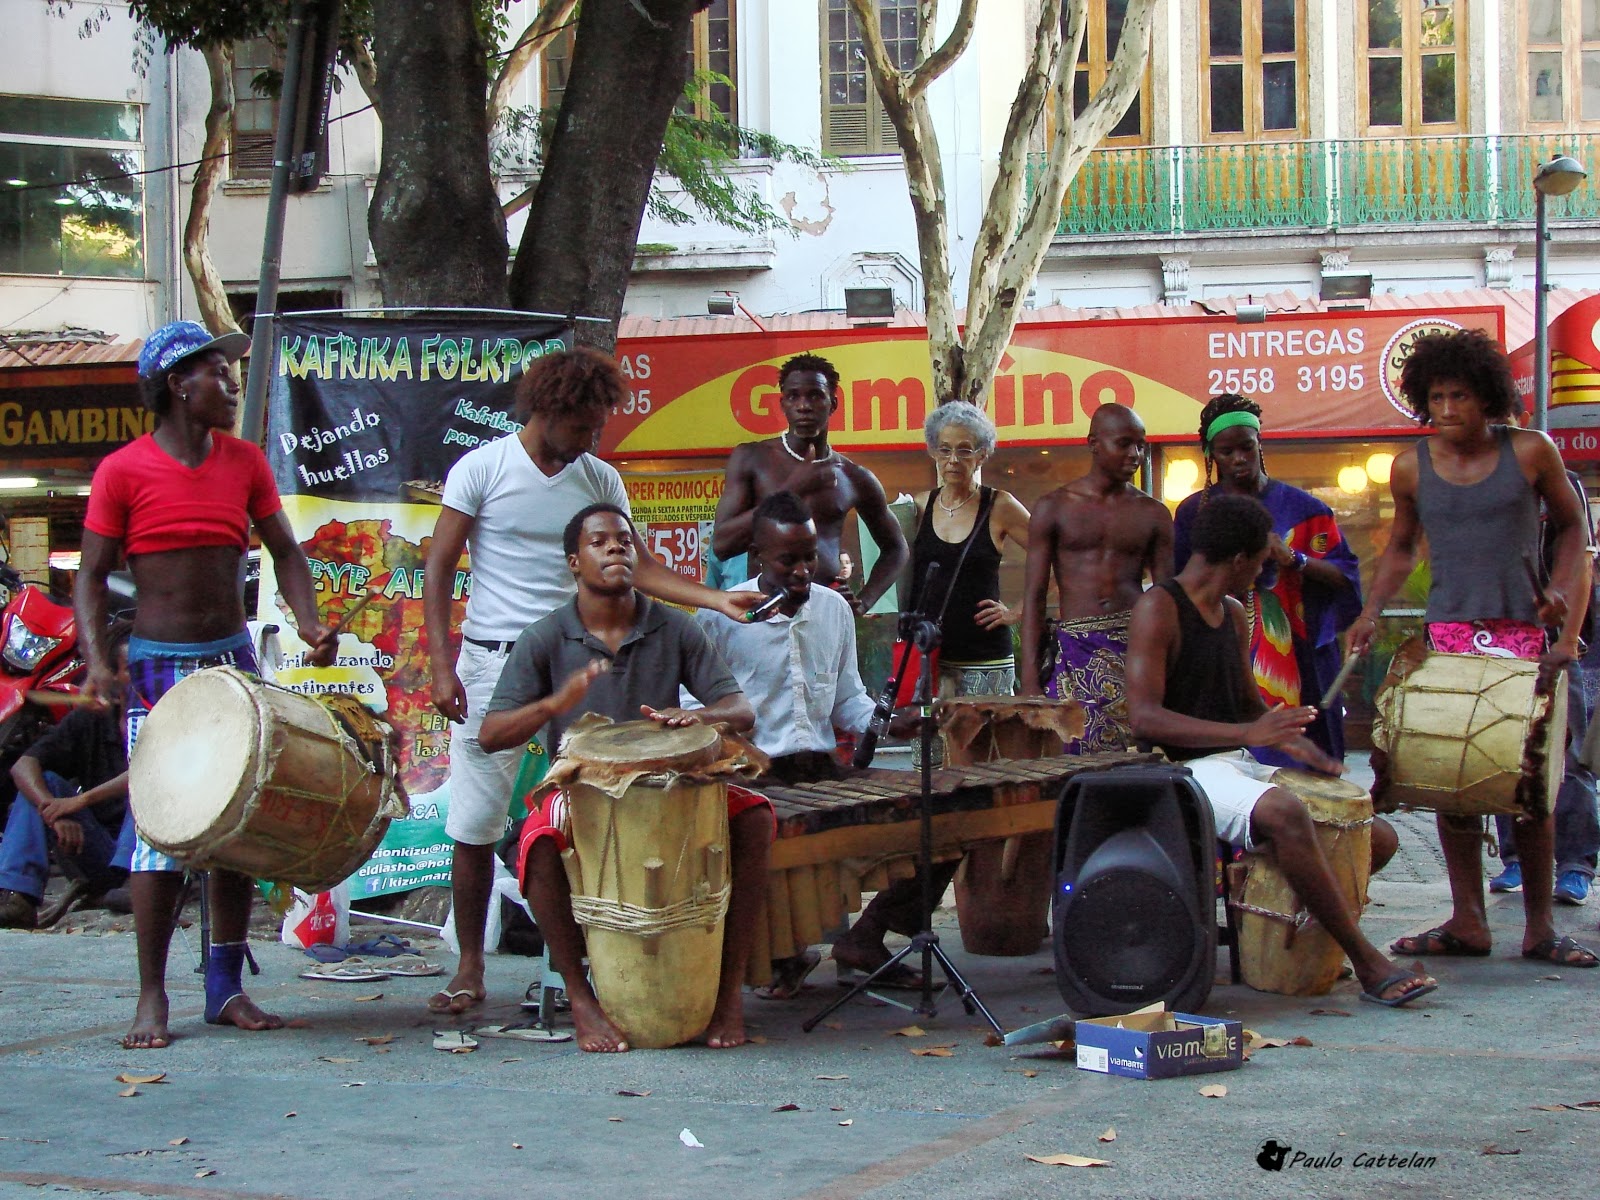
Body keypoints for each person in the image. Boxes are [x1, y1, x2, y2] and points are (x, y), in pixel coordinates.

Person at [424, 347, 762, 1017]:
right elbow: (437, 568)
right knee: (475, 819)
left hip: (572, 663)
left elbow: (631, 569)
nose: (592, 440)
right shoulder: (482, 469)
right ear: (547, 410)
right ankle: (468, 966)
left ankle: (588, 963)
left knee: (589, 814)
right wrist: (441, 665)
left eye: (599, 427)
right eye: (583, 426)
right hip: (493, 664)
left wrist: (714, 600)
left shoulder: (601, 478)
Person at [76, 320, 338, 1049]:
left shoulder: (246, 462)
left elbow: (287, 552)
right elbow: (91, 579)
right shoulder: (122, 471)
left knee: (236, 827)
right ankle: (152, 995)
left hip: (231, 662)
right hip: (158, 667)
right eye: (216, 376)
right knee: (157, 832)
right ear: (176, 386)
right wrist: (100, 661)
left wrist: (309, 621)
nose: (229, 387)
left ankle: (225, 988)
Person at [1349, 328, 1599, 968]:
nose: (1446, 409)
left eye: (1459, 395)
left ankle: (1540, 928)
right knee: (1445, 776)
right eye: (1435, 397)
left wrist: (1566, 626)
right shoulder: (1411, 466)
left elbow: (1573, 532)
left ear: (1486, 396)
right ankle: (1468, 921)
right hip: (1448, 637)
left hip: (1522, 635)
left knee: (1530, 785)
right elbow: (1402, 546)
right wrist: (1371, 612)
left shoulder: (1532, 452)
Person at [1125, 492, 1434, 1007]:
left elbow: (1249, 708)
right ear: (1242, 558)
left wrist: (1294, 742)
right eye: (1263, 561)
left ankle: (1288, 926)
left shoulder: (1231, 611)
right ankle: (1367, 962)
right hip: (1178, 772)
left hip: (1232, 765)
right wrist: (1247, 736)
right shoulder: (1158, 607)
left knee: (1372, 836)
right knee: (1287, 814)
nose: (1265, 572)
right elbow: (1145, 717)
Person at [478, 504, 766, 1052]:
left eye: (625, 541)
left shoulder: (675, 626)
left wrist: (699, 716)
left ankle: (727, 995)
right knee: (537, 844)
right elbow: (491, 734)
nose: (616, 549)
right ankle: (582, 1000)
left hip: (674, 787)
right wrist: (553, 704)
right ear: (573, 561)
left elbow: (740, 710)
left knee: (755, 819)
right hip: (580, 792)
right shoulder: (544, 638)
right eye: (599, 542)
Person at [689, 491, 881, 997]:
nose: (802, 571)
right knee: (755, 835)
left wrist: (884, 721)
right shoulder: (717, 620)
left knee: (935, 823)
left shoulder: (835, 610)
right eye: (787, 560)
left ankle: (866, 939)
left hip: (821, 771)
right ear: (757, 558)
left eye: (809, 556)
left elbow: (848, 701)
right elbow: (693, 715)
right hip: (755, 778)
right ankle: (783, 950)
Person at [1172, 394, 1362, 765]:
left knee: (1312, 763)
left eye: (1247, 447)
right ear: (1211, 455)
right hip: (1224, 651)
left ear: (1261, 443)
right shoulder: (1195, 511)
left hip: (1302, 653)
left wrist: (1295, 559)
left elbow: (1346, 576)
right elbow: (1179, 586)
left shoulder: (1306, 509)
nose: (1239, 459)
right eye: (1227, 452)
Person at [1019, 403, 1173, 755]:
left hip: (1137, 647)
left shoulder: (1153, 514)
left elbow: (1167, 599)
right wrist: (1030, 681)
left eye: (1141, 445)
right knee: (1072, 755)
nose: (1135, 455)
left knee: (1141, 756)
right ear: (1093, 443)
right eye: (1124, 444)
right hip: (1075, 651)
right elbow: (1034, 596)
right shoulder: (1053, 507)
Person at [712, 353, 909, 613]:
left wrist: (864, 602)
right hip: (763, 607)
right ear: (783, 404)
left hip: (823, 611)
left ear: (833, 403)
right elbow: (722, 545)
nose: (804, 405)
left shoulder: (853, 476)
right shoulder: (752, 459)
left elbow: (896, 548)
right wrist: (795, 486)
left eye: (815, 395)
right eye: (794, 396)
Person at [1490, 467, 1600, 905]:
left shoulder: (1560, 479)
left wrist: (1570, 639)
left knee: (1565, 755)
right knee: (1500, 751)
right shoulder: (1469, 477)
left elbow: (1583, 563)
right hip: (1493, 640)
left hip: (1551, 641)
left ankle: (1576, 863)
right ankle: (1516, 857)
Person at [0, 621, 134, 929]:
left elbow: (144, 774)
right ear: (113, 676)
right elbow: (23, 766)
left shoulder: (167, 718)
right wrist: (54, 813)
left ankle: (134, 885)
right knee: (41, 784)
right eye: (133, 669)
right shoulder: (92, 720)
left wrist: (77, 802)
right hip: (98, 849)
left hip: (148, 858)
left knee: (149, 787)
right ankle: (17, 895)